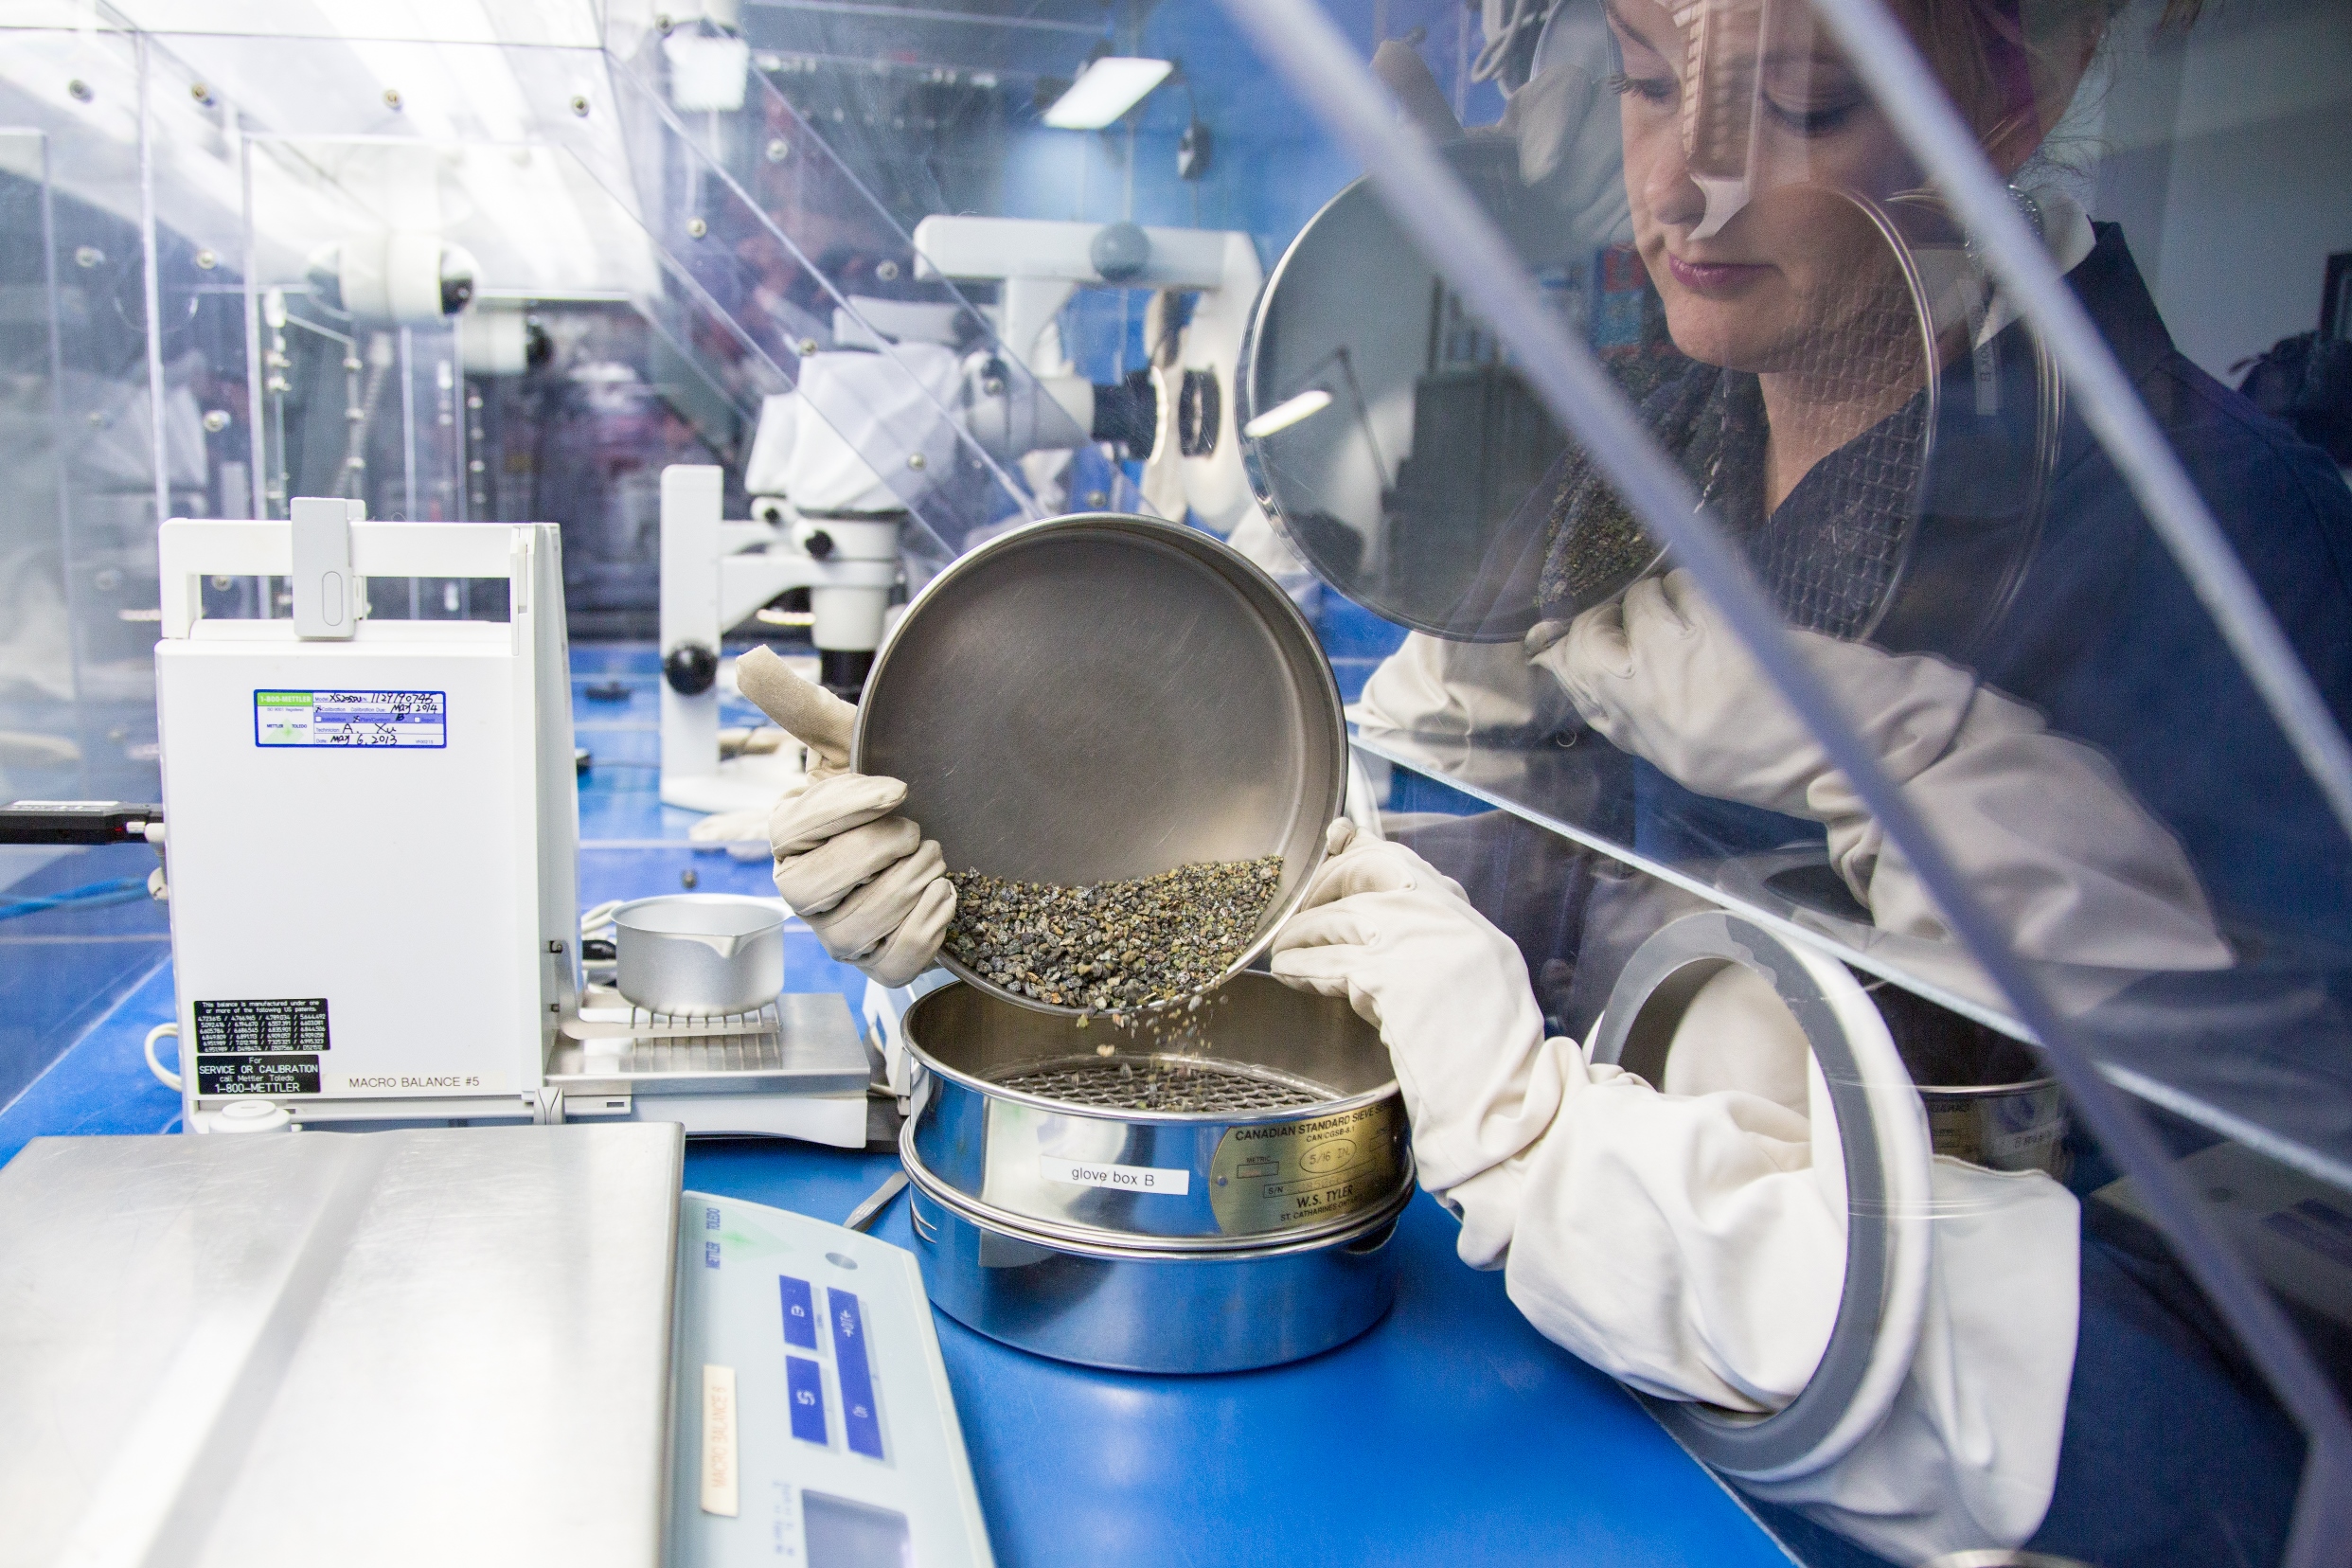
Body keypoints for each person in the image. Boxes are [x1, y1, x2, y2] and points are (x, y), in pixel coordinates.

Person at [733, 0, 2350, 1560]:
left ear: (2027, 84)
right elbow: (1537, 912)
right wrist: (1003, 895)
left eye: (1802, 106)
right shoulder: (1630, 460)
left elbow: (2231, 1416)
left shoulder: (2245, 573)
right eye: (1650, 84)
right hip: (1531, 1388)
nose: (1684, 187)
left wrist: (1546, 1142)